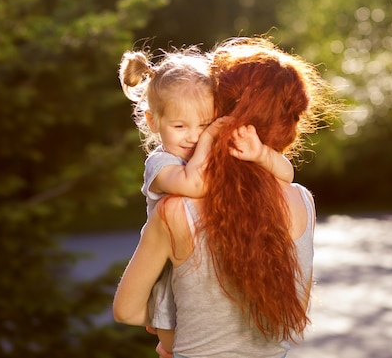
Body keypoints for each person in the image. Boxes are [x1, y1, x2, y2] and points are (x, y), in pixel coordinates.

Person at [114, 37, 339, 357]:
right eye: (182, 125)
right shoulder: (303, 202)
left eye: (207, 123)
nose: (195, 135)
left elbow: (125, 311)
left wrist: (177, 334)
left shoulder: (176, 212)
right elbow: (293, 312)